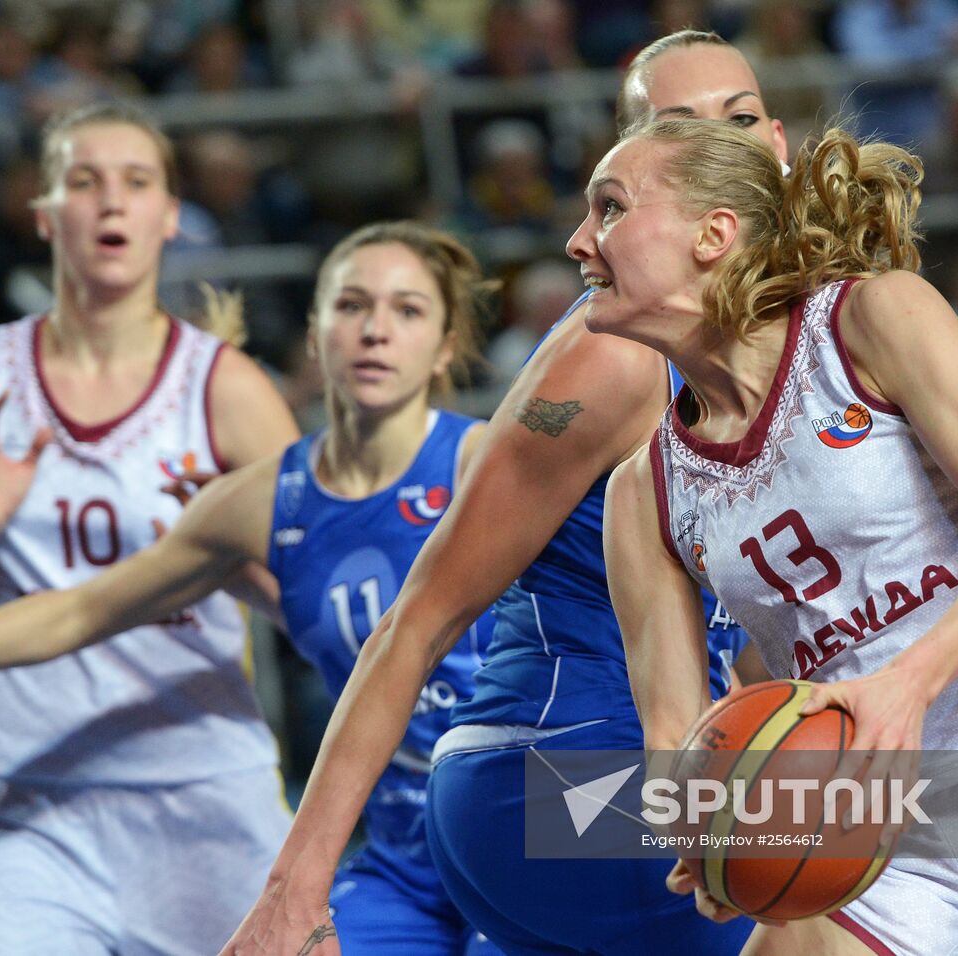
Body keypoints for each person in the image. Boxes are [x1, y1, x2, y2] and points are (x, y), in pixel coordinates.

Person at [0, 220, 503, 956]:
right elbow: (83, 608)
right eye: (352, 306)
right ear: (314, 333)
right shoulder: (258, 503)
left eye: (408, 311)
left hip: (539, 807)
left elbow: (608, 627)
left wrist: (607, 806)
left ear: (445, 346)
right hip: (409, 858)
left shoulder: (496, 463)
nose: (376, 330)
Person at [217, 29, 771, 956]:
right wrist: (294, 887)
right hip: (543, 778)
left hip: (638, 771)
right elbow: (420, 617)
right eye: (675, 127)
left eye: (741, 119)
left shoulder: (778, 332)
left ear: (781, 146)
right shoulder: (608, 355)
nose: (720, 144)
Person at [583, 116, 958, 954]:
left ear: (712, 234)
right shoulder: (641, 494)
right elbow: (674, 733)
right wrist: (707, 838)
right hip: (868, 815)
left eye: (609, 208)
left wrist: (906, 685)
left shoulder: (868, 320)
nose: (579, 242)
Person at [0, 100, 301, 956]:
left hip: (206, 793)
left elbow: (324, 611)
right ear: (43, 215)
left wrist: (218, 555)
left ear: (169, 215)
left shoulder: (229, 391)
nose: (111, 202)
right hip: (26, 798)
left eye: (136, 182)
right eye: (84, 181)